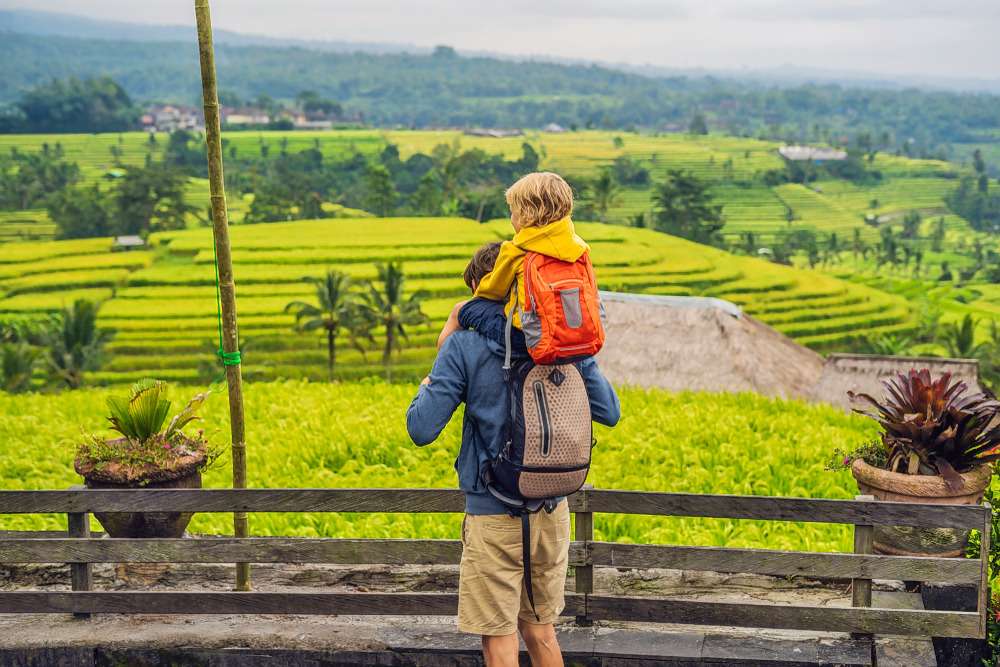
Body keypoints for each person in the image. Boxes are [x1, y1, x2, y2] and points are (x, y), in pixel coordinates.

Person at [407, 242, 621, 667]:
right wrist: (579, 356)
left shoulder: (464, 347)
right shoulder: (562, 344)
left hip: (493, 513)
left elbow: (421, 427)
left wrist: (442, 352)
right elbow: (609, 412)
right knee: (541, 632)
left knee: (499, 640)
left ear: (481, 289)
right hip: (552, 510)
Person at [436, 171, 598, 354]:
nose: (511, 219)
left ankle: (442, 362)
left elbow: (491, 291)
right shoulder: (580, 249)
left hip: (525, 337)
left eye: (512, 212)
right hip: (575, 334)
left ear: (526, 215)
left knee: (459, 311)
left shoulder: (516, 250)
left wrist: (478, 292)